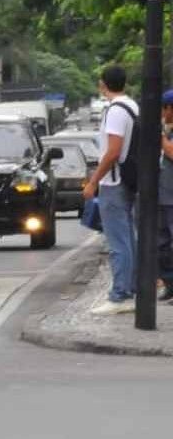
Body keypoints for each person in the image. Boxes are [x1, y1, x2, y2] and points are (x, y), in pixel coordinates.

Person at [83, 65, 138, 315]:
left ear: (103, 84)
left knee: (118, 242)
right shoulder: (132, 106)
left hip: (113, 183)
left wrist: (94, 180)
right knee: (128, 239)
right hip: (126, 180)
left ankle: (120, 295)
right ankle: (131, 289)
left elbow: (113, 151)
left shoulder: (115, 111)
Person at [160, 90, 173, 302]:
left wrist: (160, 136)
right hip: (164, 197)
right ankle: (170, 284)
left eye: (163, 109)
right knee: (162, 242)